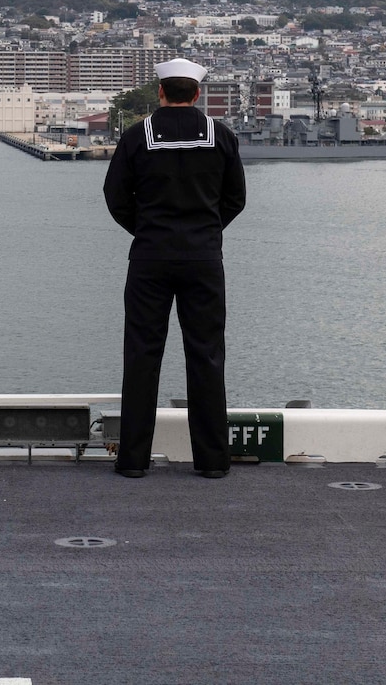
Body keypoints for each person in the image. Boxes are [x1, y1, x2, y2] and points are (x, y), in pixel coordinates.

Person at [102, 58, 246, 479]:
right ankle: (213, 461)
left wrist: (146, 230)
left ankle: (131, 461)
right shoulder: (221, 136)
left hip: (149, 257)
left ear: (160, 93)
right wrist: (206, 231)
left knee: (142, 355)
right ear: (197, 94)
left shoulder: (135, 137)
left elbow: (115, 197)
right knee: (206, 355)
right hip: (204, 259)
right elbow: (235, 198)